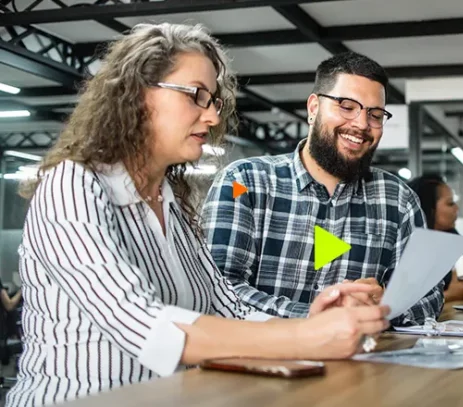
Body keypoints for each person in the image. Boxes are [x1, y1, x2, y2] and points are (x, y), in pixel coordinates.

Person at [7, 24, 389, 407]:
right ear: (137, 94)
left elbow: (231, 309)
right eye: (196, 96)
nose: (211, 117)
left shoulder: (171, 201)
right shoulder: (72, 185)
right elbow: (145, 325)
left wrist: (313, 322)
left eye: (214, 102)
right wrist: (306, 338)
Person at [202, 51, 442, 326]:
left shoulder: (399, 201)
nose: (362, 124)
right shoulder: (243, 183)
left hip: (362, 365)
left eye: (375, 115)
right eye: (347, 106)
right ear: (314, 107)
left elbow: (429, 298)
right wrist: (317, 317)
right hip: (259, 363)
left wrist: (383, 303)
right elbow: (219, 290)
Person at [407, 174, 463, 302]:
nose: (457, 208)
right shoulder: (405, 246)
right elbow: (403, 304)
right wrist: (450, 294)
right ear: (429, 208)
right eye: (450, 203)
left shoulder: (452, 236)